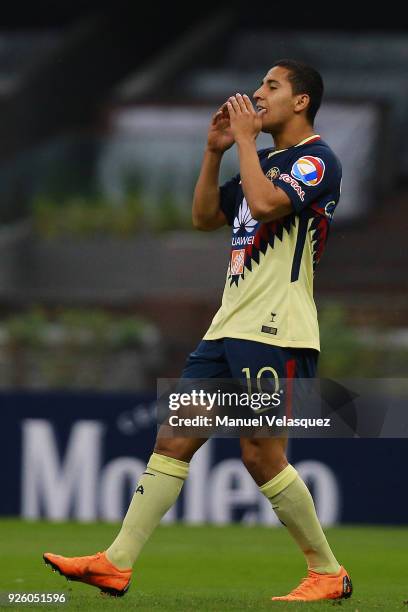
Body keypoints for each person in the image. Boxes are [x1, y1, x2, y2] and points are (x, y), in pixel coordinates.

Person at [43, 59, 352, 603]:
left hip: (275, 329)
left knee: (260, 455)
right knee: (175, 435)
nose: (258, 95)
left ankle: (326, 571)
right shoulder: (269, 160)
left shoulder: (316, 161)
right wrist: (215, 152)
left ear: (301, 101)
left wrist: (246, 143)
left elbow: (263, 204)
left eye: (272, 87)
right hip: (228, 324)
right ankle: (116, 563)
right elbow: (206, 217)